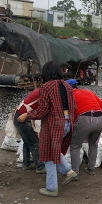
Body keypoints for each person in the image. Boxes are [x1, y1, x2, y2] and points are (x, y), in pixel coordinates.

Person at [17, 61, 77, 197]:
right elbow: (74, 106)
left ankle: (58, 181)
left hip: (54, 124)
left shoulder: (46, 87)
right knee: (52, 151)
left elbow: (43, 110)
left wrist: (28, 115)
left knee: (48, 152)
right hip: (68, 123)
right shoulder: (67, 86)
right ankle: (61, 178)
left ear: (46, 72)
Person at [66, 79, 102, 176]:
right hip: (100, 118)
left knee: (75, 146)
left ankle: (74, 173)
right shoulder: (88, 91)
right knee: (93, 144)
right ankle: (91, 169)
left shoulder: (70, 96)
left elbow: (70, 113)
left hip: (85, 118)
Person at [13, 88, 45, 174]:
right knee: (34, 143)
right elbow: (42, 110)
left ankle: (26, 163)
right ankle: (40, 166)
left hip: (18, 116)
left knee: (27, 142)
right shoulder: (44, 93)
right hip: (22, 118)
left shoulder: (40, 90)